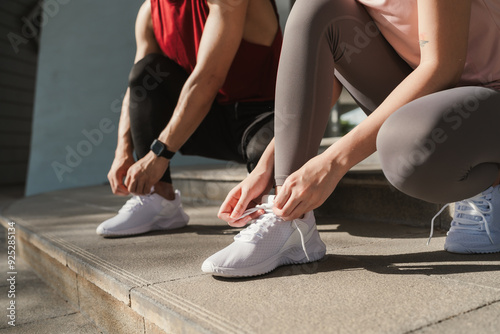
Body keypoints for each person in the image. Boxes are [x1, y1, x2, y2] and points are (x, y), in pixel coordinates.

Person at [202, 0, 500, 277]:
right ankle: (290, 219)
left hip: (487, 99)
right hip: (436, 101)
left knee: (406, 152)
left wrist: (333, 162)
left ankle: (490, 178)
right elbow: (327, 77)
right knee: (318, 7)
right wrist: (269, 167)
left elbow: (442, 66)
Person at [96, 0, 282, 237]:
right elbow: (137, 88)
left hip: (262, 116)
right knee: (147, 71)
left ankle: (273, 214)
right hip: (206, 118)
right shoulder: (150, 13)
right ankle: (158, 200)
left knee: (271, 148)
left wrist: (159, 153)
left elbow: (208, 77)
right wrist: (122, 151)